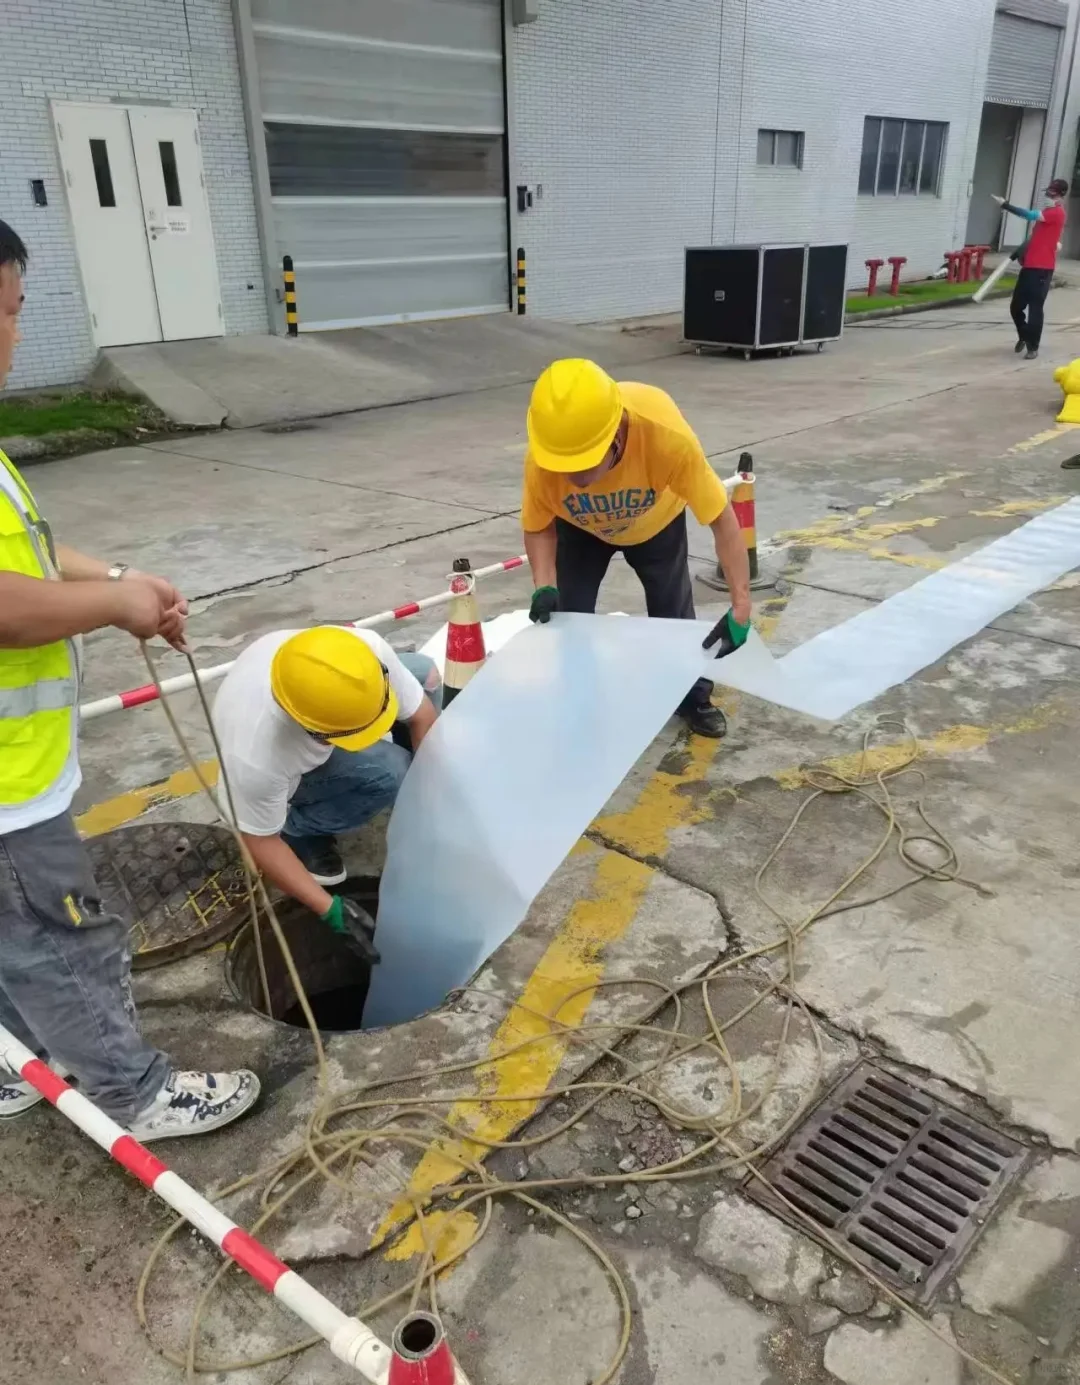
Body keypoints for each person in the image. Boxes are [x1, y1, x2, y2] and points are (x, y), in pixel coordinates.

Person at [0, 219, 259, 1138]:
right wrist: (114, 610)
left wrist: (117, 580)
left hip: (16, 771)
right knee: (66, 939)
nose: (16, 334)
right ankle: (133, 1092)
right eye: (10, 312)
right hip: (7, 790)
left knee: (13, 945)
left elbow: (27, 557)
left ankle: (18, 1059)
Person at [521, 358, 752, 738]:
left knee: (673, 614)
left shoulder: (666, 439)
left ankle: (693, 696)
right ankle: (577, 698)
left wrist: (741, 605)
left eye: (582, 467)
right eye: (563, 467)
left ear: (615, 441)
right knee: (568, 616)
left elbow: (722, 521)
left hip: (656, 522)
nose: (572, 479)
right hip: (580, 529)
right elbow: (539, 527)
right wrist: (544, 583)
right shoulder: (545, 458)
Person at [211, 624, 441, 955]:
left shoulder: (363, 656)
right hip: (284, 776)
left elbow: (422, 717)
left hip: (329, 708)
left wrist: (430, 801)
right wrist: (328, 908)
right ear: (314, 730)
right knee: (392, 771)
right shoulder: (257, 756)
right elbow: (258, 841)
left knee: (424, 672)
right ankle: (298, 828)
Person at [994, 177, 1069, 360]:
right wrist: (1023, 255)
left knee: (1035, 308)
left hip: (1042, 270)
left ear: (1060, 195)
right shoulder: (1047, 213)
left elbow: (1028, 215)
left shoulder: (1056, 213)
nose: (1048, 195)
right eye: (1048, 191)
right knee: (1016, 307)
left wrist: (1006, 205)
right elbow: (1035, 240)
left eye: (1052, 192)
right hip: (1029, 268)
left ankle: (1032, 347)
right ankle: (1024, 335)